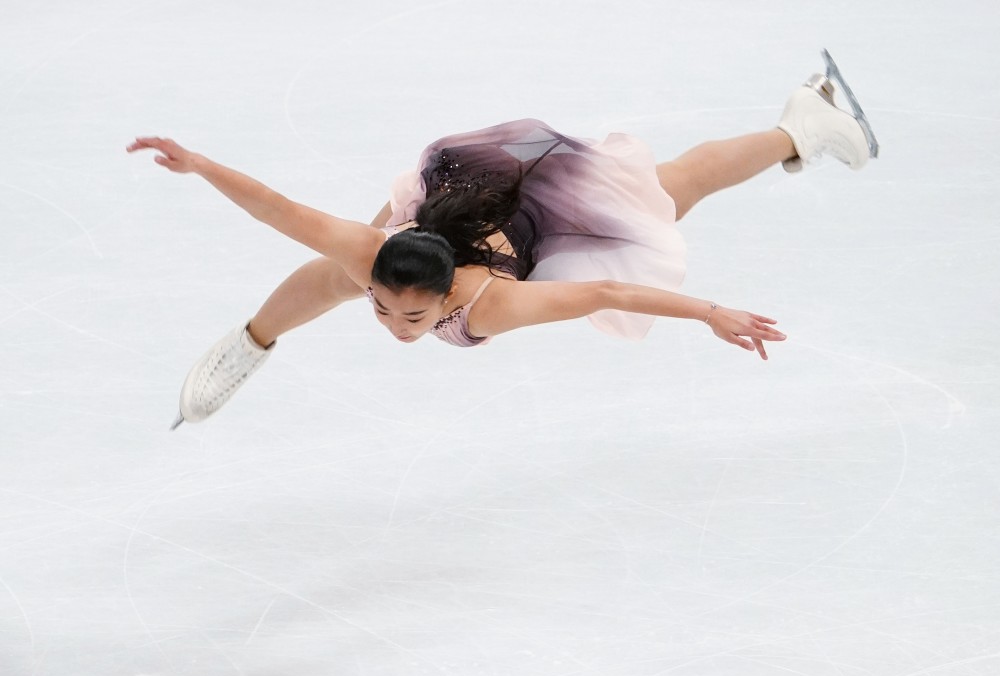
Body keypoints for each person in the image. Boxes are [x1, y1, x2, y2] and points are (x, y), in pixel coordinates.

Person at [127, 58, 876, 428]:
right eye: (387, 310)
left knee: (677, 185)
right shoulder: (371, 255)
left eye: (411, 319)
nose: (396, 329)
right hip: (451, 194)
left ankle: (803, 125)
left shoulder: (491, 306)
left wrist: (710, 312)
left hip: (546, 212)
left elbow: (608, 291)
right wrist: (197, 165)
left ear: (444, 301)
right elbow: (277, 208)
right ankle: (252, 342)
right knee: (330, 274)